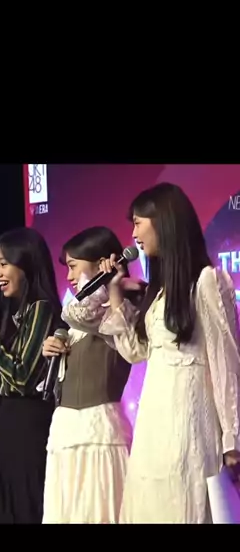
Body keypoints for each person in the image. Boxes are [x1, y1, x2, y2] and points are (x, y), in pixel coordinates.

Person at [98, 182, 240, 523]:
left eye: (138, 222)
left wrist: (232, 438)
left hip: (190, 421)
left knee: (185, 506)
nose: (133, 234)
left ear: (164, 221)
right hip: (154, 422)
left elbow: (226, 362)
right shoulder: (159, 292)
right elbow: (135, 352)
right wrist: (115, 293)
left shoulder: (207, 281)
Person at [0, 227, 63, 523]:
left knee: (23, 503)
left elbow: (21, 378)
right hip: (8, 419)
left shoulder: (41, 309)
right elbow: (7, 378)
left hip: (28, 423)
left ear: (26, 263)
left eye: (4, 264)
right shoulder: (15, 314)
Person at [42, 227, 140, 524]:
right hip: (66, 434)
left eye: (74, 266)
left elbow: (78, 314)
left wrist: (105, 282)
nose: (70, 276)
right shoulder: (81, 317)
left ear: (100, 263)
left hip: (99, 435)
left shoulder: (123, 305)